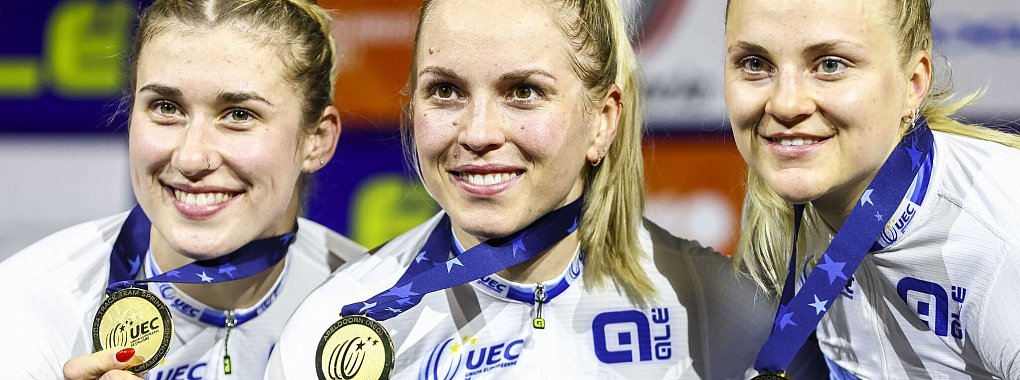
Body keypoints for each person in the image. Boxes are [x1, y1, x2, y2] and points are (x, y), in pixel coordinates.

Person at [265, 0, 827, 379]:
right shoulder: (336, 324)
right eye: (446, 91)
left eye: (523, 92)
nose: (478, 133)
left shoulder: (708, 302)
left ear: (602, 121)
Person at [0, 1, 365, 379]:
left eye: (239, 114)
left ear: (317, 140)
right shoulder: (23, 312)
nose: (191, 158)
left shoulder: (373, 307)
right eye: (166, 107)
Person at [724, 0, 1020, 378]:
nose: (785, 104)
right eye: (754, 64)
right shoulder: (774, 200)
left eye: (831, 65)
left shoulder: (1002, 238)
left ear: (913, 84)